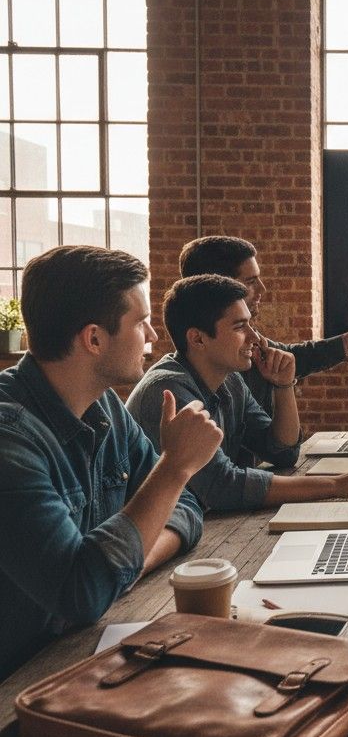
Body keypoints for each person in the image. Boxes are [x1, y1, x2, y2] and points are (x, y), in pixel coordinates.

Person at [0, 246, 223, 677]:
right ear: (95, 339)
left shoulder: (106, 407)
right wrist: (175, 466)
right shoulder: (10, 440)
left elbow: (187, 509)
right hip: (19, 685)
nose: (154, 336)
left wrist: (124, 566)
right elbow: (80, 593)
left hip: (80, 651)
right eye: (141, 322)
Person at [126, 275, 348, 511]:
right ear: (197, 339)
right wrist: (337, 485)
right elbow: (222, 487)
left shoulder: (231, 381)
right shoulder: (168, 391)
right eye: (239, 327)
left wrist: (283, 385)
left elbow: (283, 452)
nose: (254, 337)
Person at [179, 235, 348, 418]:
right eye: (250, 281)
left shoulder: (248, 350)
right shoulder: (181, 389)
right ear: (219, 286)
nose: (262, 288)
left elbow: (295, 358)